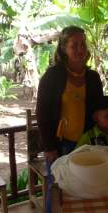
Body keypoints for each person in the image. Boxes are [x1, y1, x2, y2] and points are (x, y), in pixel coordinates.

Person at [36, 26, 103, 163]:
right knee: (61, 183)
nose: (80, 49)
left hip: (87, 143)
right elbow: (42, 114)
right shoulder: (52, 76)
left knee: (85, 182)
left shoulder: (93, 77)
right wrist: (49, 147)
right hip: (59, 145)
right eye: (74, 45)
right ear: (63, 49)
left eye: (83, 44)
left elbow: (99, 110)